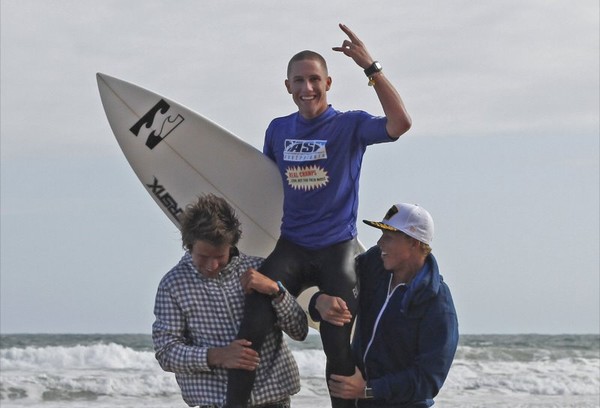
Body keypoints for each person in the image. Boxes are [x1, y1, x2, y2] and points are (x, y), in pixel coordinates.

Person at [226, 23, 412, 408]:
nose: (306, 88)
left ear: (328, 82)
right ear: (287, 86)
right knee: (250, 331)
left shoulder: (350, 124)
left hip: (336, 250)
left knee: (338, 345)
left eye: (314, 80)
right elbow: (264, 190)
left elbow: (400, 124)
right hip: (290, 246)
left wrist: (371, 68)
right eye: (299, 81)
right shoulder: (278, 130)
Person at [152, 194, 308, 408]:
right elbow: (166, 353)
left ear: (231, 246)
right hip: (215, 403)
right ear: (188, 246)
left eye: (219, 256)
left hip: (274, 400)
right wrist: (219, 356)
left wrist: (276, 291)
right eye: (203, 256)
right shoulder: (173, 285)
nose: (212, 265)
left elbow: (300, 330)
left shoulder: (261, 270)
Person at [309, 203, 459, 407]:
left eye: (388, 237)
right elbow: (337, 283)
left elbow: (428, 380)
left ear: (414, 243)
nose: (380, 243)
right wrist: (318, 301)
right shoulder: (373, 264)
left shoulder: (438, 303)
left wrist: (368, 390)